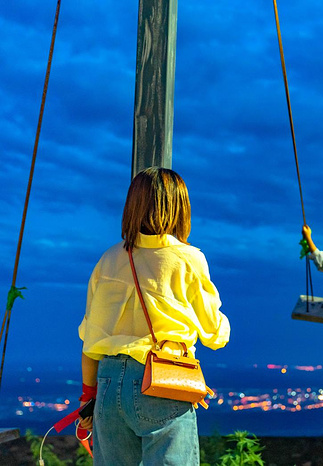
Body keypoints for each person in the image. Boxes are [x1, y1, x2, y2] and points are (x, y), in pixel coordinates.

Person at [77, 167, 231, 465]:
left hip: (108, 384)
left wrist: (87, 397)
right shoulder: (188, 259)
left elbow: (90, 343)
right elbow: (216, 335)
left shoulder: (108, 260)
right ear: (179, 208)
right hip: (162, 380)